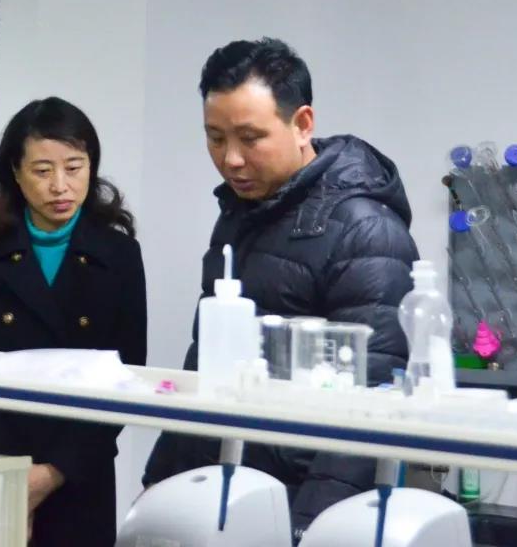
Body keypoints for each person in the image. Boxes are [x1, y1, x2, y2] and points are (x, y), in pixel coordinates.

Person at [142, 37, 418, 536]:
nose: (231, 159)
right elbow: (205, 361)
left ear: (302, 123)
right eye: (215, 138)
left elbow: (369, 409)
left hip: (296, 506)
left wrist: (306, 531)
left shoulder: (365, 231)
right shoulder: (240, 216)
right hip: (227, 494)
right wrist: (158, 485)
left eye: (250, 138)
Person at [0, 97, 147, 546]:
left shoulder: (118, 254)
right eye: (43, 170)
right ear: (15, 172)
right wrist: (10, 477)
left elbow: (125, 376)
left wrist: (52, 473)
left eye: (74, 167)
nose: (60, 186)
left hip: (76, 472)